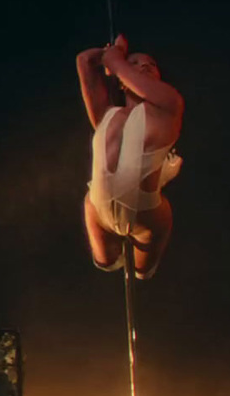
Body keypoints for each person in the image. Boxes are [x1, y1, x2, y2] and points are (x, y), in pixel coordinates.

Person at [76, 34, 184, 279]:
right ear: (122, 82)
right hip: (99, 210)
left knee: (140, 271)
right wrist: (114, 52)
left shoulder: (170, 105)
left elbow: (113, 63)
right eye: (134, 63)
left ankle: (140, 269)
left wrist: (116, 57)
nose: (144, 66)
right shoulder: (106, 114)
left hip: (145, 214)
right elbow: (83, 60)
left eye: (151, 64)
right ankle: (110, 260)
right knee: (104, 260)